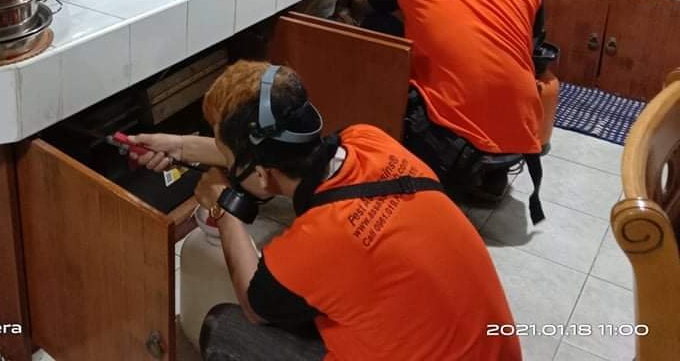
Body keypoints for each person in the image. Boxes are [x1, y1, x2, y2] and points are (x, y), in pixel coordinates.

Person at [129, 61, 521, 361]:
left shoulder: (316, 243)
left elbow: (255, 304)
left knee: (227, 327)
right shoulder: (370, 141)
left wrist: (225, 208)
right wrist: (179, 146)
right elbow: (267, 157)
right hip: (487, 348)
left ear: (262, 175)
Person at [352, 0, 545, 221]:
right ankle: (482, 174)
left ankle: (396, 156)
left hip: (446, 149)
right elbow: (530, 48)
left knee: (372, 25)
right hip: (514, 144)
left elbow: (362, 2)